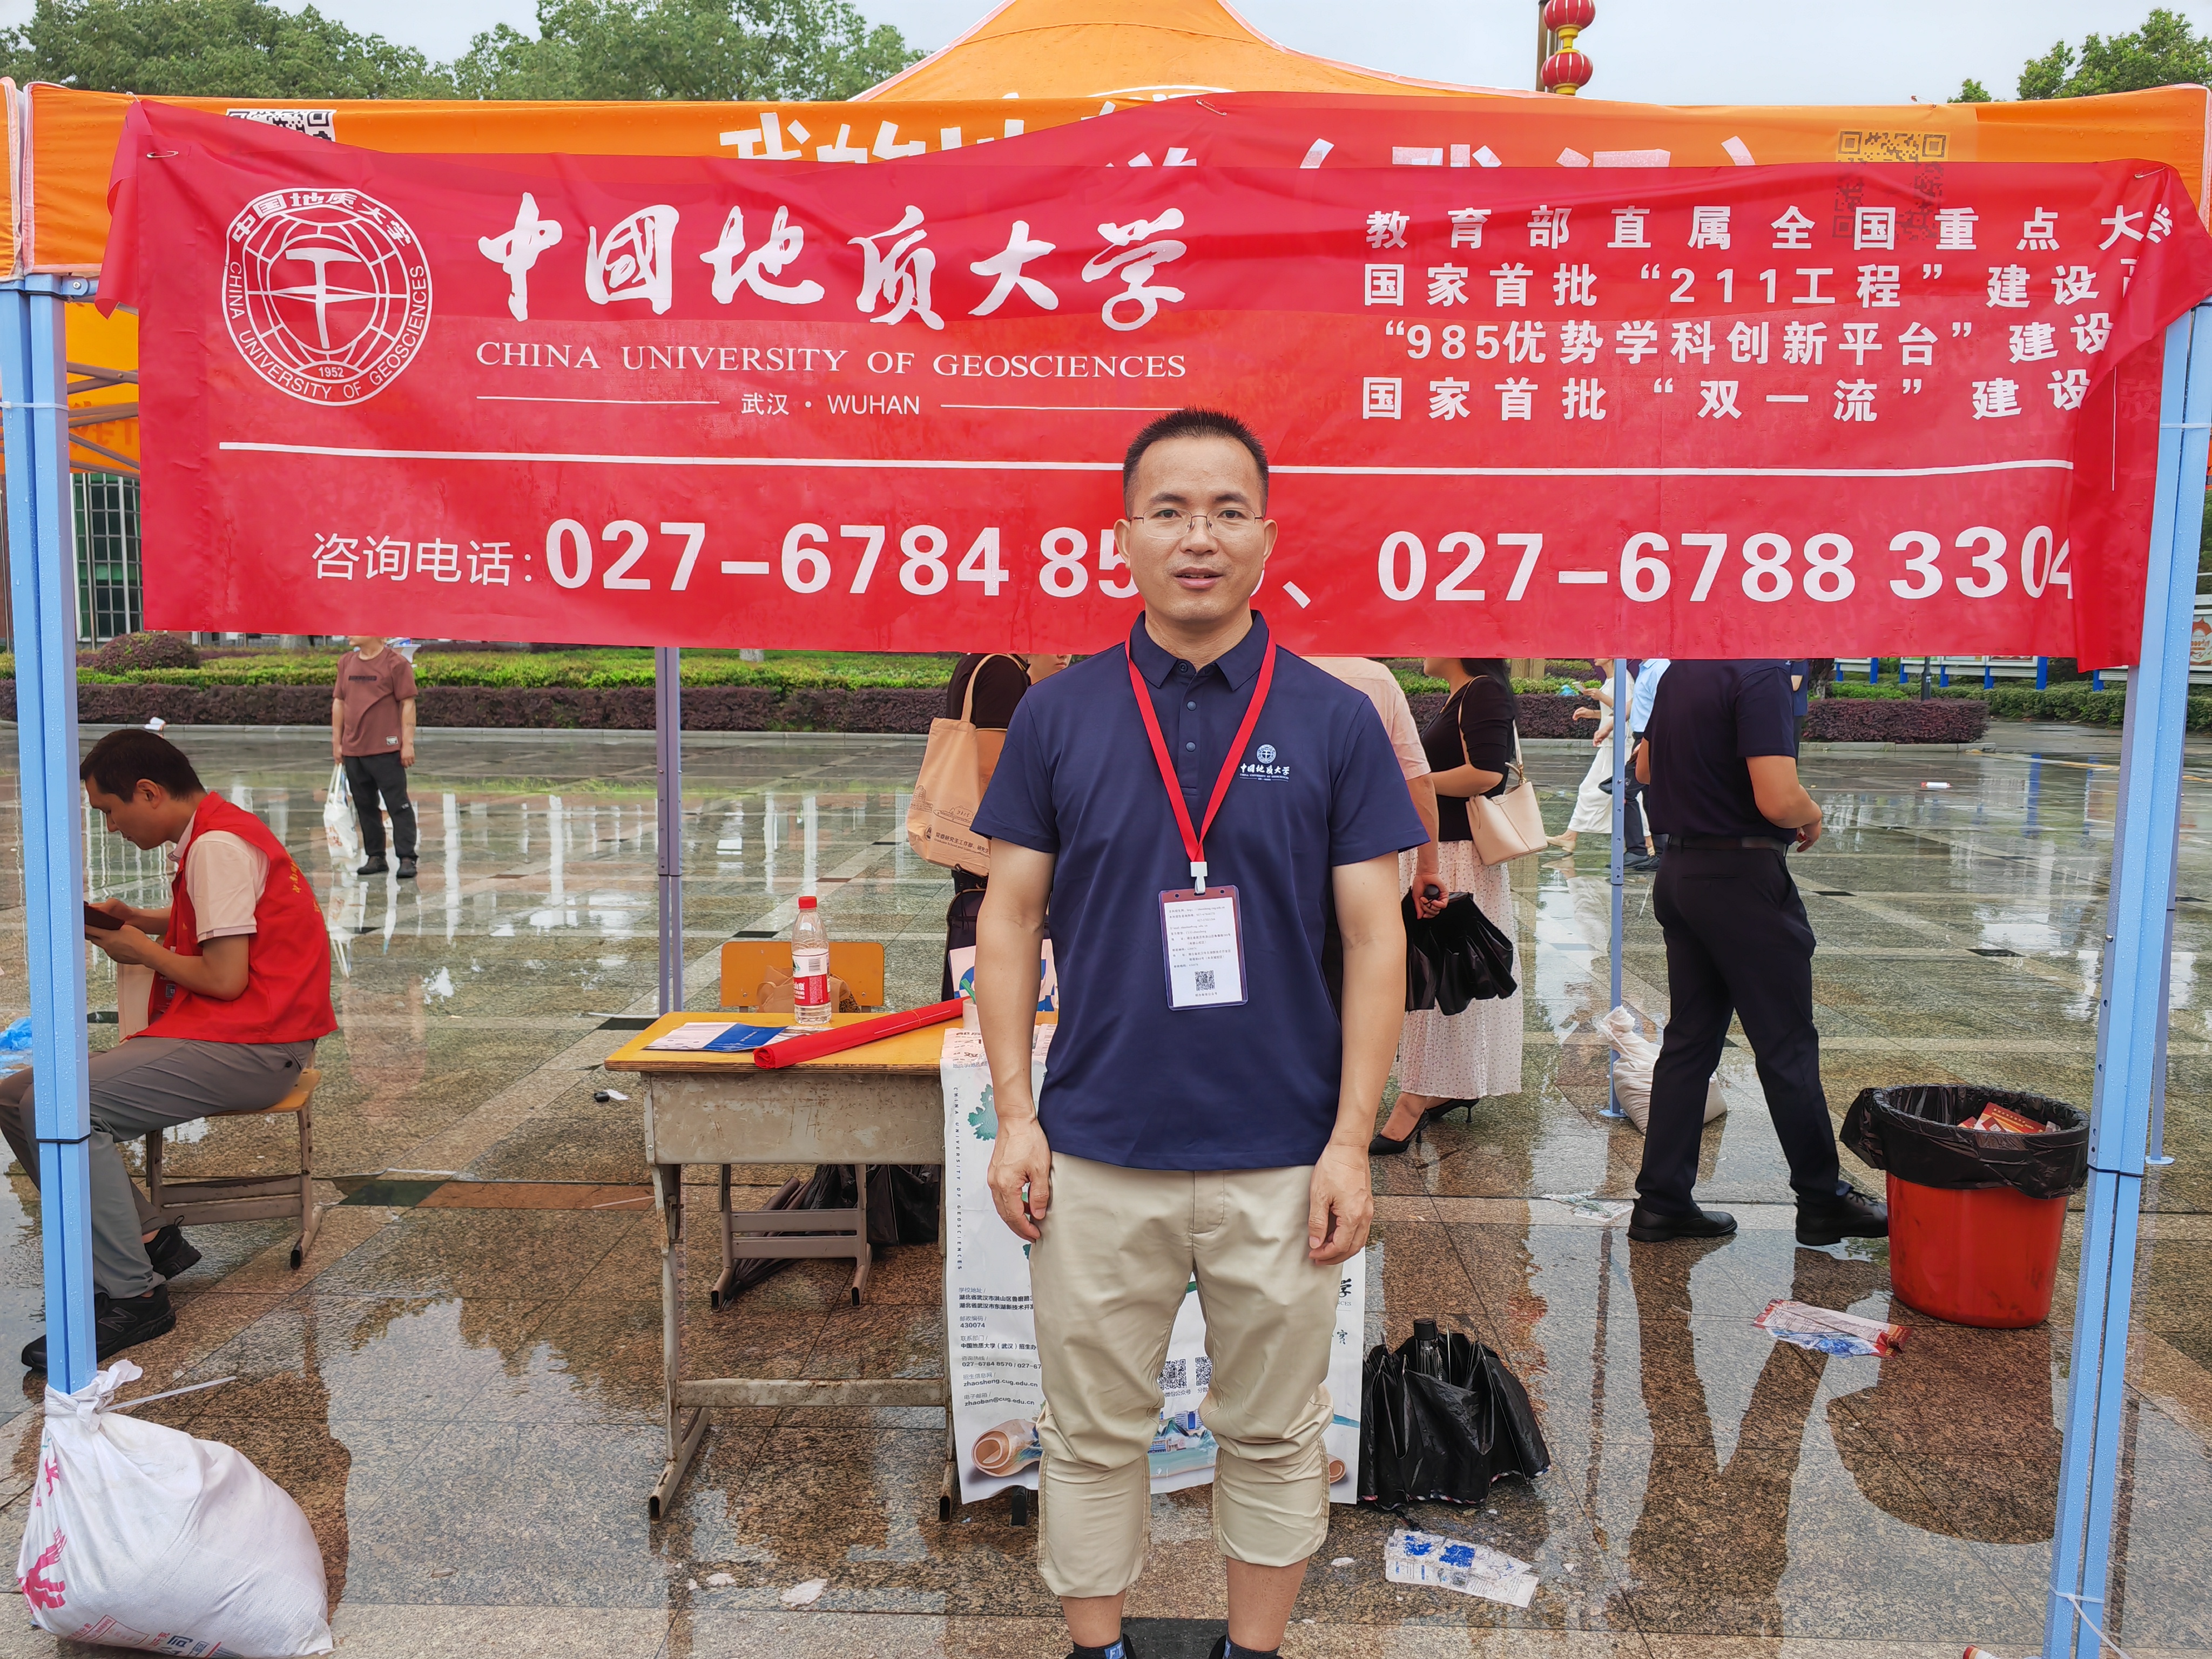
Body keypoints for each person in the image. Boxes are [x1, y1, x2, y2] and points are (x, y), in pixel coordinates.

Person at [972, 408, 1423, 1659]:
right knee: (1090, 1431)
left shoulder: (1332, 717)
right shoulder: (1061, 713)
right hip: (1095, 1148)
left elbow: (1376, 939)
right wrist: (1015, 1114)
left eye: (1226, 510)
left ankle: (1251, 1650)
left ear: (1267, 537)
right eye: (1168, 510)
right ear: (1123, 538)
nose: (1198, 537)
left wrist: (1350, 1142)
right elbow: (1008, 917)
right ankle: (1096, 1647)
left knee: (1274, 1432)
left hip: (1280, 1157)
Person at [3, 729, 335, 1368]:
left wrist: (140, 950)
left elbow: (225, 978)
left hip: (258, 1044)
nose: (110, 827)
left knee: (54, 1103)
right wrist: (141, 920)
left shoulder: (215, 846)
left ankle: (136, 1296)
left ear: (149, 792)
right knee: (14, 1096)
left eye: (109, 811)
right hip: (242, 1031)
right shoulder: (216, 830)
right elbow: (227, 925)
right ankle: (150, 1237)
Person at [1626, 659, 1886, 1246]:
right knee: (1785, 1045)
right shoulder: (1759, 673)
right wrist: (1811, 812)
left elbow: (1644, 767)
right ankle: (1822, 1200)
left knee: (1689, 1043)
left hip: (1681, 871)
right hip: (1741, 878)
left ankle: (1662, 1202)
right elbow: (1777, 799)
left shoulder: (1681, 672)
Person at [1370, 657, 1525, 1155]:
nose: (1423, 649)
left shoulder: (1482, 692)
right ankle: (1443, 1085)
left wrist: (1415, 783)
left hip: (1459, 859)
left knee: (1435, 976)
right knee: (1437, 976)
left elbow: (1486, 774)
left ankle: (1414, 1100)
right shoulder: (1460, 696)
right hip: (1440, 852)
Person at [938, 651, 1046, 1000]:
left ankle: (969, 1003)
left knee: (975, 919)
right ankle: (988, 1008)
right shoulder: (1004, 670)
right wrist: (997, 850)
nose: (1064, 651)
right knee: (999, 925)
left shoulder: (975, 661)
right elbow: (991, 769)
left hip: (971, 830)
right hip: (991, 838)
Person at [1308, 656, 1446, 919]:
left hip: (1286, 842)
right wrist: (1428, 870)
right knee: (1368, 935)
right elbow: (1416, 779)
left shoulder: (1264, 673)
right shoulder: (1379, 679)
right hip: (1366, 845)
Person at [333, 635, 418, 879]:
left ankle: (407, 858)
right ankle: (376, 856)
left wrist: (407, 744)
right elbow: (339, 702)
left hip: (386, 748)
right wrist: (337, 743)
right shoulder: (346, 662)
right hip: (354, 750)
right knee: (365, 805)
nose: (349, 633)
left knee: (398, 805)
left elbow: (408, 703)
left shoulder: (396, 664)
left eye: (357, 628)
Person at [1549, 656, 1620, 858]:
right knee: (1592, 789)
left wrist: (1601, 697)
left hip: (1618, 745)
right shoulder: (1610, 680)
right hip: (1609, 744)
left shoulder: (1624, 679)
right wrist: (1592, 713)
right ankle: (1570, 836)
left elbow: (1627, 709)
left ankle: (1648, 841)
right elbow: (1612, 712)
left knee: (1626, 794)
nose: (1596, 655)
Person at [1622, 656, 1668, 869]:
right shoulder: (1647, 668)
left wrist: (1648, 741)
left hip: (1649, 739)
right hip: (1644, 738)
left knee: (1626, 792)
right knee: (1649, 795)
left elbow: (1665, 707)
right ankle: (1656, 852)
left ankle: (1639, 850)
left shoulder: (1659, 668)